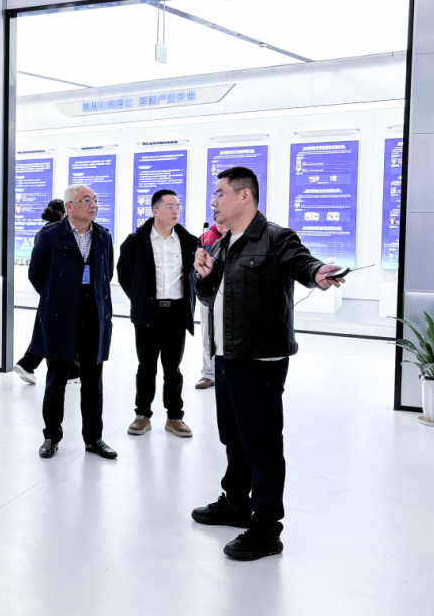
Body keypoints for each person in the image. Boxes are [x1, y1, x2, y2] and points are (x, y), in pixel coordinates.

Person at [191, 166, 343, 562]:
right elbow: (209, 298)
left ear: (245, 196)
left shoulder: (276, 237)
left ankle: (266, 529)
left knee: (262, 447)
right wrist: (203, 277)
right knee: (234, 438)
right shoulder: (224, 244)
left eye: (220, 193)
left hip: (258, 360)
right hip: (226, 356)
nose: (213, 201)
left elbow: (302, 263)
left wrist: (318, 272)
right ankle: (236, 503)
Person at [27, 184, 116, 460]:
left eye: (95, 200)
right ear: (69, 206)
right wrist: (56, 299)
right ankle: (51, 436)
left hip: (94, 315)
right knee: (56, 381)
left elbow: (107, 273)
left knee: (93, 381)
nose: (93, 205)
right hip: (60, 316)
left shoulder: (103, 236)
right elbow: (36, 274)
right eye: (86, 200)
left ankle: (94, 438)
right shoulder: (50, 236)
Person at [118, 189, 199, 438]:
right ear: (155, 211)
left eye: (178, 207)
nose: (176, 211)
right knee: (146, 367)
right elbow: (124, 275)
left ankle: (175, 417)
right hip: (148, 313)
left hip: (176, 313)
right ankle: (142, 415)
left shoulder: (188, 241)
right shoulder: (136, 241)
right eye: (170, 206)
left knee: (173, 368)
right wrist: (140, 300)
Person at [14, 199, 81, 386]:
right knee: (57, 332)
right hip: (60, 292)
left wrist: (45, 291)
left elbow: (37, 270)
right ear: (65, 213)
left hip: (50, 290)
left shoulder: (41, 233)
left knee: (53, 330)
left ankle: (70, 371)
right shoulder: (58, 234)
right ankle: (30, 364)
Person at [195, 222, 226, 390]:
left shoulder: (242, 235)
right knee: (208, 334)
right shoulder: (206, 237)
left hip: (234, 293)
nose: (222, 227)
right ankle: (208, 374)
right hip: (210, 293)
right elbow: (196, 267)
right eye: (219, 224)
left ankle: (229, 373)